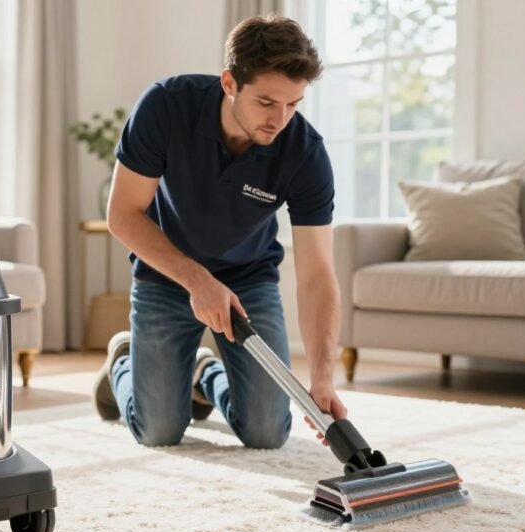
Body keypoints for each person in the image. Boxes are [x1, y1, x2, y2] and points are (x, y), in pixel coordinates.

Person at [93, 15, 346, 450]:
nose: (279, 120)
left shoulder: (305, 154)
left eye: (293, 104)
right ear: (230, 83)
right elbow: (123, 215)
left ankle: (200, 372)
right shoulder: (166, 106)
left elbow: (318, 275)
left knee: (267, 432)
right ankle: (123, 359)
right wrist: (197, 280)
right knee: (158, 431)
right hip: (167, 276)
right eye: (266, 102)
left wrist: (322, 379)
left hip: (248, 280)